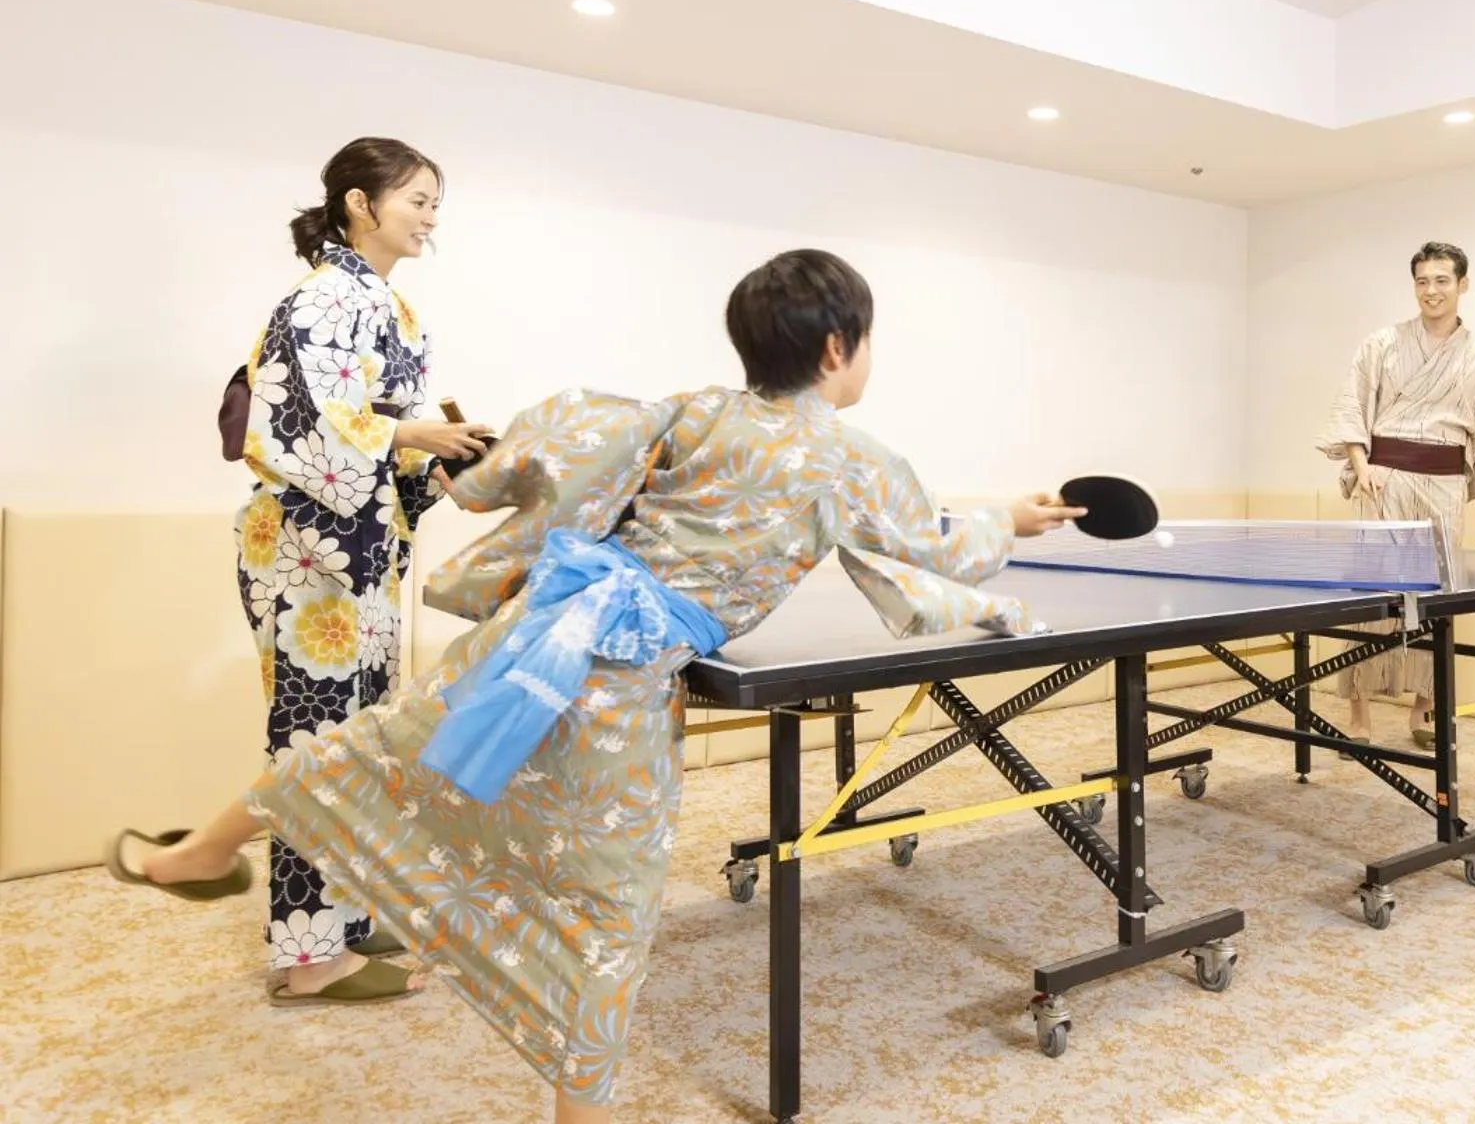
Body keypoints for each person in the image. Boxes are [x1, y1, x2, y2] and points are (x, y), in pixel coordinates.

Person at [107, 249, 1083, 1123]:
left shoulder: (693, 408)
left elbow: (567, 444)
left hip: (531, 633)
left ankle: (194, 853)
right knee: (605, 910)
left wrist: (483, 482)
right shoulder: (852, 461)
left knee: (360, 754)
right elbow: (933, 543)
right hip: (615, 685)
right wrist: (1015, 521)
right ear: (838, 347)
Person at [234, 137, 490, 1003]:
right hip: (310, 547)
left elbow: (379, 441)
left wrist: (443, 465)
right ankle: (306, 960)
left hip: (360, 548)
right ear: (358, 202)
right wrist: (413, 436)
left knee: (361, 739)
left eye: (433, 204)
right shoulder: (322, 296)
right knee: (314, 740)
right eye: (416, 199)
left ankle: (341, 917)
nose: (428, 218)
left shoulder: (383, 303)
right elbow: (299, 426)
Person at [1315, 241, 1475, 746]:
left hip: (1445, 486)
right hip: (1384, 478)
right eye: (1422, 281)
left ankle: (1423, 711)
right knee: (1371, 597)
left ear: (1462, 285)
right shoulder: (1382, 344)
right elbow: (1353, 403)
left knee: (1434, 598)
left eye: (1441, 280)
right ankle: (1359, 714)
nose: (1431, 290)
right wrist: (1361, 464)